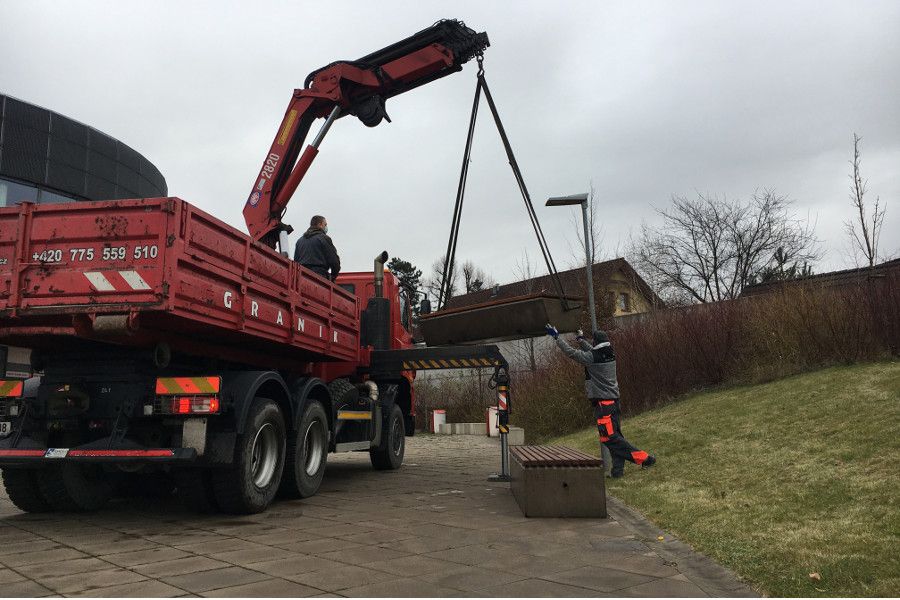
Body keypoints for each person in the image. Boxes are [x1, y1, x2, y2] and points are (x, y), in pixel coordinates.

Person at [546, 324, 656, 478]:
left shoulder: (592, 358)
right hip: (614, 401)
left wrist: (557, 337)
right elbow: (593, 351)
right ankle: (617, 472)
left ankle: (645, 459)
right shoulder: (610, 352)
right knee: (615, 437)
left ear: (596, 343)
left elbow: (572, 353)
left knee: (609, 438)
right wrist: (580, 339)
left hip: (604, 405)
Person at [294, 215, 341, 281]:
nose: (326, 227)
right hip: (320, 277)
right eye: (325, 225)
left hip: (302, 277)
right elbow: (334, 262)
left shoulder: (300, 241)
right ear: (320, 225)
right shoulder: (324, 238)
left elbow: (296, 262)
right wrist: (333, 277)